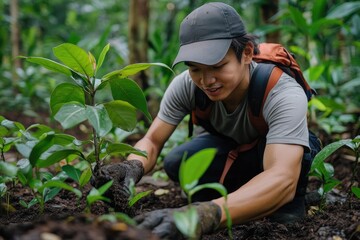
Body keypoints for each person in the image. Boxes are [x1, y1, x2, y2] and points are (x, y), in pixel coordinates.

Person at [93, 2, 321, 239]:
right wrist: (132, 166)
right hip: (234, 149)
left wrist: (206, 215)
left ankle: (276, 202)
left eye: (217, 66)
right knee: (177, 163)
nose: (206, 80)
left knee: (282, 213)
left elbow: (281, 176)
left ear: (246, 53)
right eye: (195, 69)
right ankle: (245, 196)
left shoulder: (281, 92)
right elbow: (152, 140)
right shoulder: (187, 85)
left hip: (275, 156)